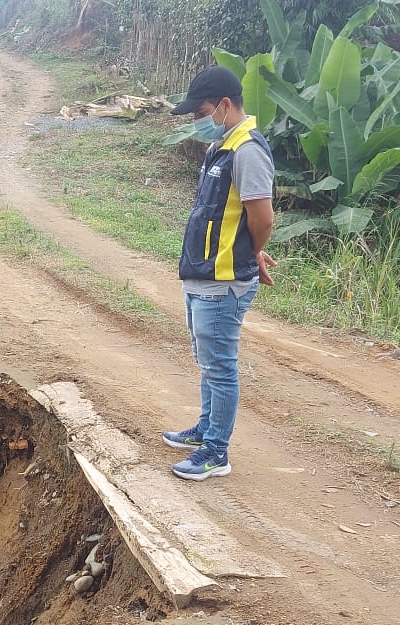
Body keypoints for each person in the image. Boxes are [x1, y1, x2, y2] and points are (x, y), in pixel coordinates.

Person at [163, 66, 277, 481]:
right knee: (207, 361)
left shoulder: (247, 150)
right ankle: (206, 429)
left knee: (220, 366)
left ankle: (216, 451)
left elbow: (262, 217)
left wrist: (252, 252)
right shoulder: (222, 147)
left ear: (225, 105)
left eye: (202, 112)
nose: (198, 121)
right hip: (203, 274)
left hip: (224, 280)